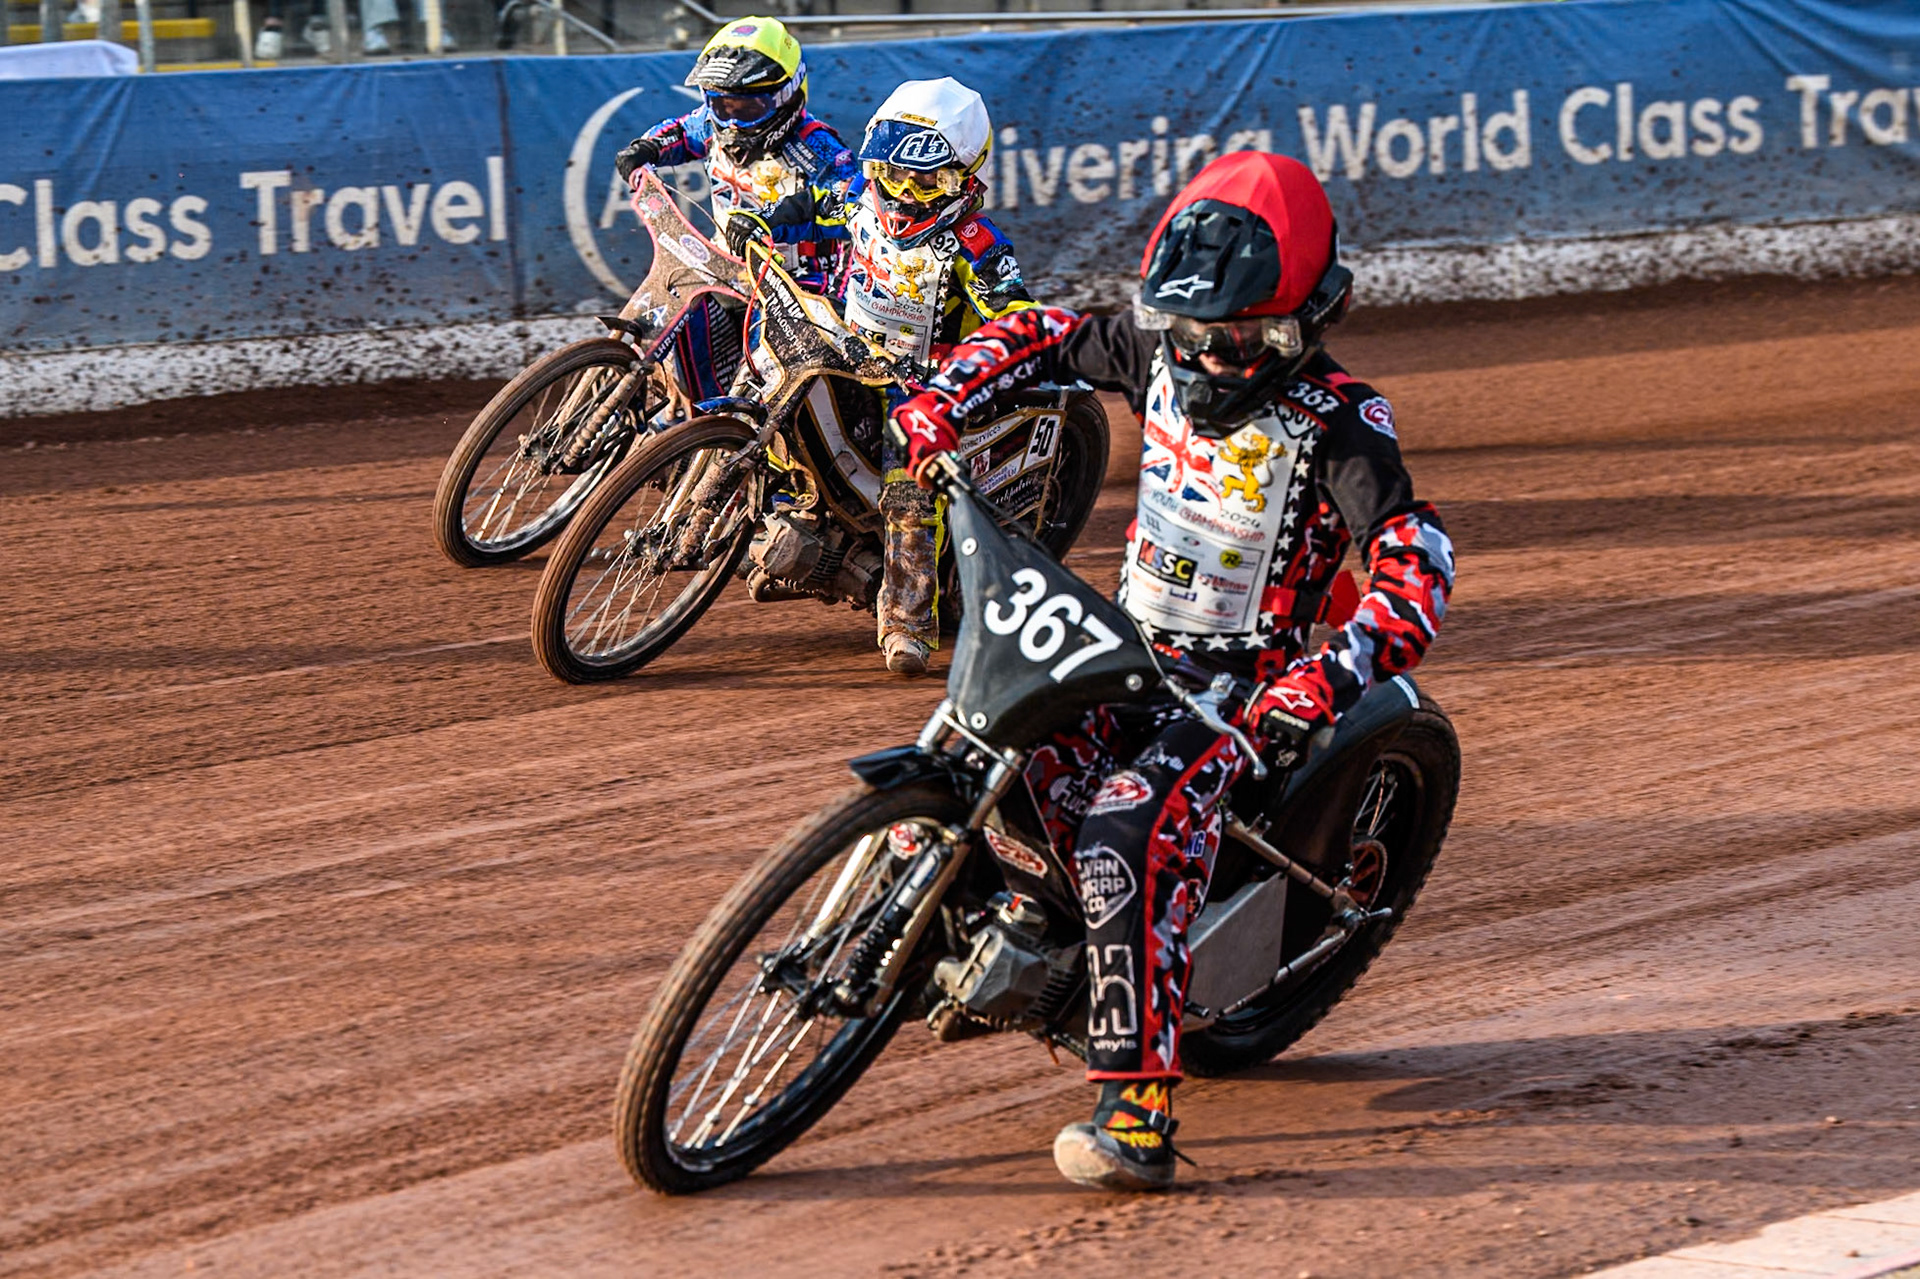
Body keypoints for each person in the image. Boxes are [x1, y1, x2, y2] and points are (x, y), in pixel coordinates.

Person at [889, 151, 1456, 1190]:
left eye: (1248, 339)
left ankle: (1137, 1110)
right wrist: (943, 397)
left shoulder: (1342, 421)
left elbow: (1420, 564)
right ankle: (1026, 931)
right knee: (998, 742)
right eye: (1195, 334)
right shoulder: (1155, 346)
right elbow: (1041, 332)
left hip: (1249, 688)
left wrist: (1323, 681)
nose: (1216, 358)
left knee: (1126, 828)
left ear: (1314, 317)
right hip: (1130, 643)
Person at [728, 77, 1036, 677]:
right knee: (766, 406)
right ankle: (781, 538)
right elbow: (806, 209)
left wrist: (989, 354)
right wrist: (757, 221)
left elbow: (1018, 316)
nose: (901, 194)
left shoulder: (977, 246)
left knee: (907, 493)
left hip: (921, 385)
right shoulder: (859, 199)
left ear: (964, 180)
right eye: (889, 174)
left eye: (924, 182)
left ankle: (907, 624)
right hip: (845, 346)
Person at [612, 16, 854, 298]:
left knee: (757, 341)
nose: (732, 122)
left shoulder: (818, 146)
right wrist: (646, 148)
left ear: (786, 96)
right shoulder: (709, 124)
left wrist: (773, 220)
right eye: (721, 106)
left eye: (747, 108)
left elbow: (852, 213)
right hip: (727, 268)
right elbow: (681, 133)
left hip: (800, 283)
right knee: (682, 319)